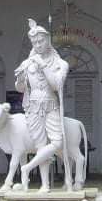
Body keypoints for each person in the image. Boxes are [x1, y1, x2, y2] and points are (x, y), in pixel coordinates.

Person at [15, 19, 69, 191]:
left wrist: (43, 65)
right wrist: (20, 79)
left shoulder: (61, 64)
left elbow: (56, 85)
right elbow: (20, 88)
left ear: (48, 40)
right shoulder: (27, 63)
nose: (38, 45)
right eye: (34, 42)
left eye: (41, 41)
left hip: (51, 105)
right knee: (40, 145)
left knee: (57, 142)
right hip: (34, 106)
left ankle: (27, 168)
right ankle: (45, 184)